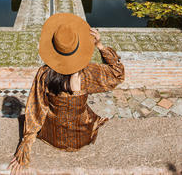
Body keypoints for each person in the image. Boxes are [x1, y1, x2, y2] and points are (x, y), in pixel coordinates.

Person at [9, 13, 124, 174]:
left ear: (54, 48)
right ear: (77, 46)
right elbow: (118, 73)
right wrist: (100, 45)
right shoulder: (88, 74)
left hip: (52, 136)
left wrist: (25, 144)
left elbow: (35, 110)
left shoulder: (44, 74)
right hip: (82, 137)